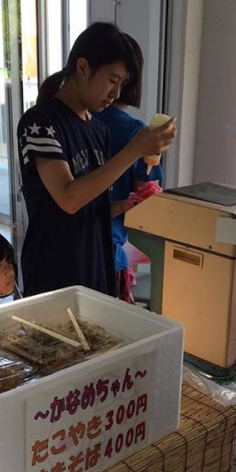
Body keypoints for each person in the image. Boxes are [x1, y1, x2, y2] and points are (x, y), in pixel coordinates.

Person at [17, 22, 175, 297]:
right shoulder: (40, 122)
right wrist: (133, 150)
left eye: (122, 84)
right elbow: (68, 198)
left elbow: (93, 207)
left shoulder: (99, 129)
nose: (116, 93)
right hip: (53, 273)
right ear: (82, 68)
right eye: (112, 80)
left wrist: (121, 205)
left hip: (98, 269)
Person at [95, 35, 164, 303]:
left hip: (67, 254)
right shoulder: (136, 133)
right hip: (108, 255)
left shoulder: (74, 121)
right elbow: (149, 196)